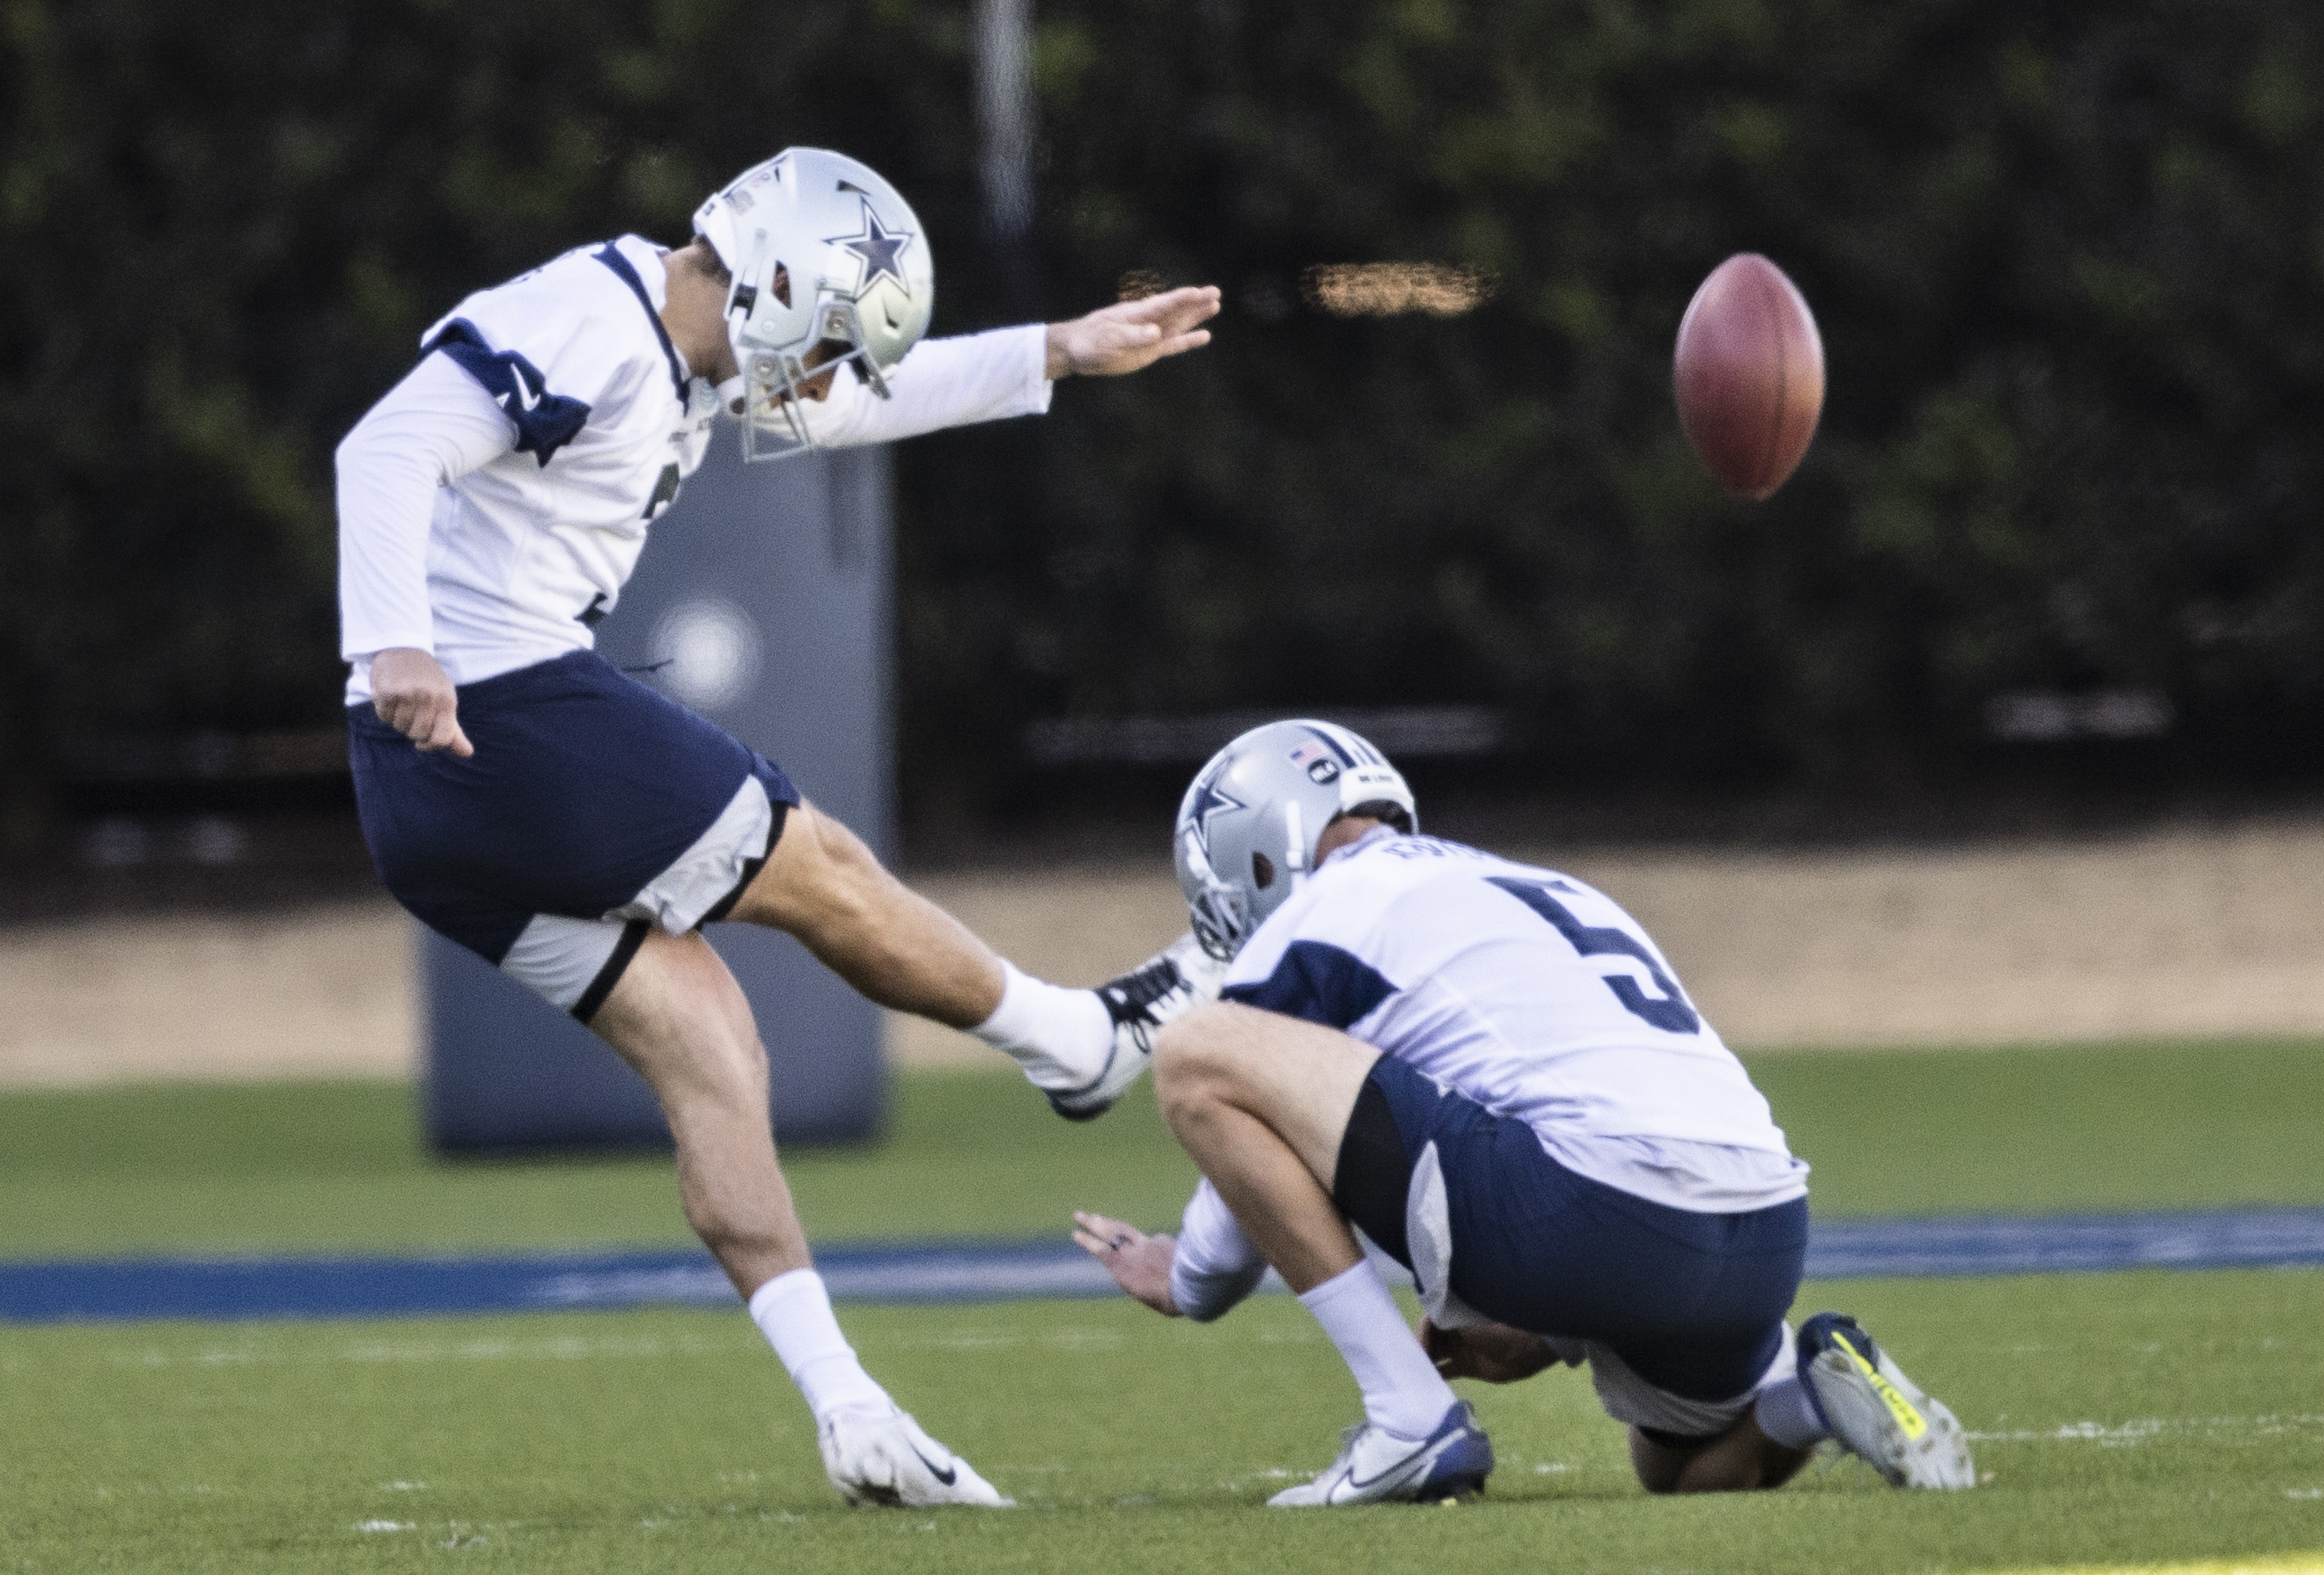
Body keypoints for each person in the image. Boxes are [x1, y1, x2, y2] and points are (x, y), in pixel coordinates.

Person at [335, 148, 1225, 1508]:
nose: (823, 378)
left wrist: (1052, 349)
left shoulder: (690, 354)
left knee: (714, 1048)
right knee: (822, 869)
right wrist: (398, 639)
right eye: (824, 342)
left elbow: (865, 407)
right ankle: (1081, 1044)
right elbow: (383, 446)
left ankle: (849, 1410)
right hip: (495, 713)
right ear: (774, 282)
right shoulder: (590, 319)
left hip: (424, 797)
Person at [1073, 719, 1975, 1505]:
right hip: (1765, 1233)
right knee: (1692, 1464)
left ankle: (1409, 1420)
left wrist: (1183, 1275)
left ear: (1257, 854)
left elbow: (1231, 1104)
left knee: (1194, 1049)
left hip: (1595, 1209)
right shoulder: (1529, 885)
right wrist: (1549, 1316)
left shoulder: (1326, 906)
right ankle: (1807, 1390)